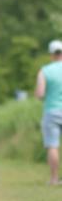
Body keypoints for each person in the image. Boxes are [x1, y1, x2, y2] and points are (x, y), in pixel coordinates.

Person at [35, 39, 62, 186]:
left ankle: (54, 179)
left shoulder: (44, 71)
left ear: (51, 54)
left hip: (52, 110)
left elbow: (40, 94)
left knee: (52, 145)